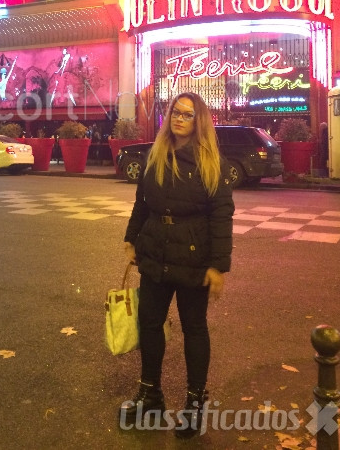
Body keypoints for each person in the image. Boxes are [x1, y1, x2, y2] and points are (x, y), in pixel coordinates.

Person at [120, 92, 234, 438]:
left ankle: (195, 402)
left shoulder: (211, 162)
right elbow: (142, 203)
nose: (179, 118)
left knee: (194, 328)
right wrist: (131, 238)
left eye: (187, 114)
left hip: (193, 255)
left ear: (199, 121)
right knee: (149, 323)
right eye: (175, 112)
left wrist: (218, 265)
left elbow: (221, 216)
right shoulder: (155, 155)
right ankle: (150, 393)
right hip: (155, 250)